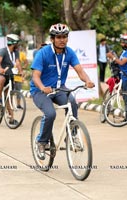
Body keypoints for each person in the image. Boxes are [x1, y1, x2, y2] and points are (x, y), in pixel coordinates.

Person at [30, 23, 95, 160]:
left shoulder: (69, 52)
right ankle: (41, 142)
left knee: (72, 101)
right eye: (58, 37)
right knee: (50, 113)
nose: (62, 40)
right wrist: (42, 88)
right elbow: (35, 76)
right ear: (52, 39)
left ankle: (72, 135)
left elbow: (80, 70)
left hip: (59, 88)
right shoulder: (43, 53)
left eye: (65, 37)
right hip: (40, 90)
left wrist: (87, 81)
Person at [106, 34, 127, 123]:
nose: (121, 44)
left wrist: (112, 57)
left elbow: (122, 62)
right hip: (123, 76)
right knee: (125, 97)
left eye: (123, 42)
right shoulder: (125, 52)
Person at [0, 34, 23, 123]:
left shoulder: (16, 52)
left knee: (9, 96)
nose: (18, 45)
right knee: (2, 80)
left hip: (10, 74)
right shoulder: (3, 51)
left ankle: (11, 119)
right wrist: (0, 69)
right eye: (17, 43)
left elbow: (17, 63)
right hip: (0, 73)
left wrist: (21, 71)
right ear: (13, 43)